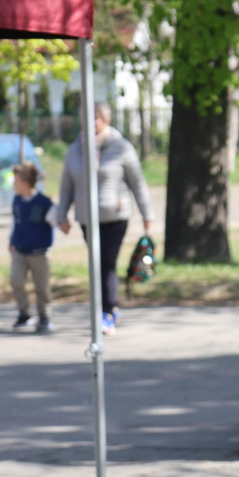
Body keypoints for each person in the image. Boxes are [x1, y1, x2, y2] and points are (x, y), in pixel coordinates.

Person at [57, 101, 154, 335]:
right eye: (87, 118)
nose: (91, 123)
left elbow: (137, 183)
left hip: (115, 216)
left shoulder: (121, 147)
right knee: (96, 264)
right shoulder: (75, 149)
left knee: (106, 263)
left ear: (106, 120)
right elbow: (67, 185)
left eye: (96, 118)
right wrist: (62, 215)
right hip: (87, 217)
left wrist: (147, 214)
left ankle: (108, 311)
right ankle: (108, 307)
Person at [10, 162, 57, 333]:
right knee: (16, 280)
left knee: (41, 287)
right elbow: (14, 222)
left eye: (15, 181)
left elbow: (56, 220)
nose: (13, 185)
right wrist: (11, 240)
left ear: (26, 183)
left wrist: (62, 222)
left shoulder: (44, 202)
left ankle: (44, 316)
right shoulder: (16, 201)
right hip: (19, 250)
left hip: (39, 253)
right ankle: (24, 313)